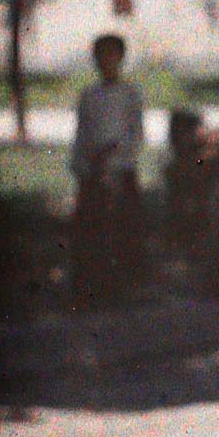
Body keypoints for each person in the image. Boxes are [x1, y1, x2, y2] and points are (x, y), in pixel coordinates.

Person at [69, 32, 147, 300]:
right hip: (92, 171)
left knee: (123, 228)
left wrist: (114, 154)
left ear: (120, 58)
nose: (106, 60)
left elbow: (136, 134)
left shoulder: (130, 93)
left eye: (111, 55)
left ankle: (125, 284)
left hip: (121, 168)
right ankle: (93, 285)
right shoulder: (88, 95)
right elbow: (81, 134)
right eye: (101, 55)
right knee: (92, 230)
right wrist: (83, 165)